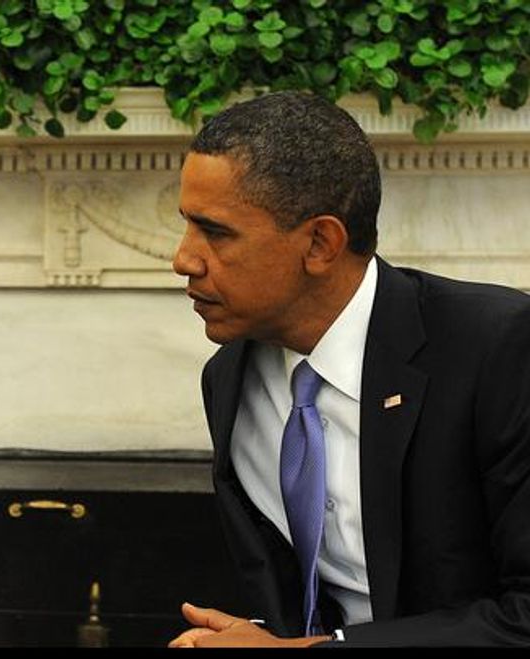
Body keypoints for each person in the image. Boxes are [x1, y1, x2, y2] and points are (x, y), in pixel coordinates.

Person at [168, 91, 530, 647]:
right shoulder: (229, 378)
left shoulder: (499, 348)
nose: (183, 259)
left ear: (320, 243)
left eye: (215, 232)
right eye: (187, 225)